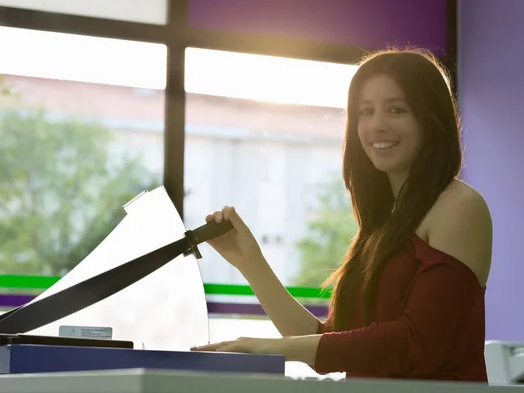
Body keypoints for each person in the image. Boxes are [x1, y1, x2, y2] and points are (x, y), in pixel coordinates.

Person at [191, 48, 493, 382]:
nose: (376, 125)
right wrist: (250, 261)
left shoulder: (459, 205)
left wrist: (275, 347)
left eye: (396, 109)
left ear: (431, 120)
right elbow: (330, 340)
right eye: (365, 111)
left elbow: (418, 342)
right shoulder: (382, 226)